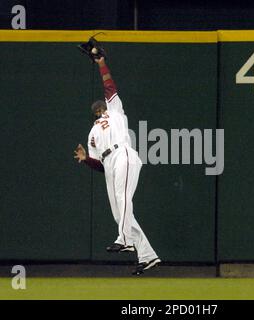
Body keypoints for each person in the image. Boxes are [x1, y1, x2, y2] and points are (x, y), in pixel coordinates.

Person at [74, 56, 160, 275]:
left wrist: (101, 62)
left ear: (106, 105)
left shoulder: (115, 111)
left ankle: (125, 239)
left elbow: (109, 85)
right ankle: (148, 255)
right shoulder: (93, 134)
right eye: (97, 110)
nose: (101, 110)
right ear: (93, 114)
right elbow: (99, 165)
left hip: (123, 154)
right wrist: (86, 160)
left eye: (102, 106)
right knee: (120, 214)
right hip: (109, 163)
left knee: (123, 199)